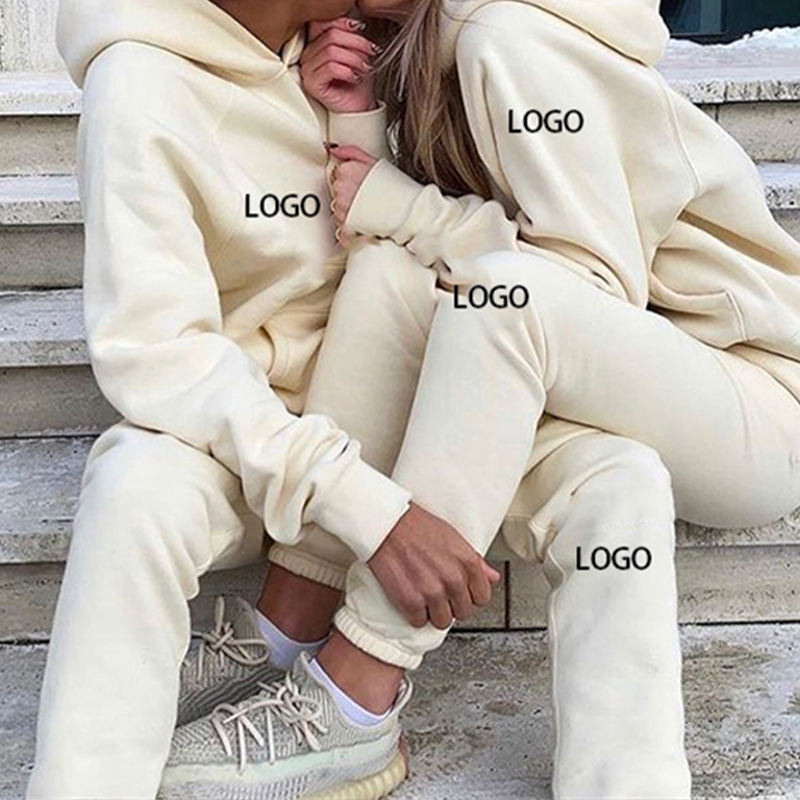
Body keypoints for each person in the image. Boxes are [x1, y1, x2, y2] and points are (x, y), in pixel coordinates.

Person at [27, 1, 502, 798]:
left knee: (398, 277)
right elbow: (159, 355)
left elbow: (443, 261)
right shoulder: (138, 85)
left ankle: (306, 658)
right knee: (132, 484)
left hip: (382, 405)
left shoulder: (346, 51)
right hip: (250, 434)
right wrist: (368, 510)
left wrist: (356, 123)